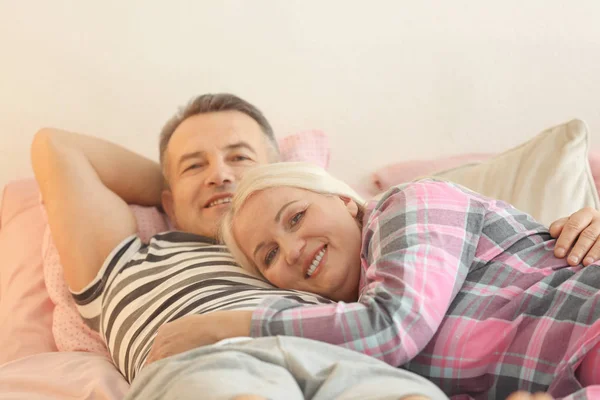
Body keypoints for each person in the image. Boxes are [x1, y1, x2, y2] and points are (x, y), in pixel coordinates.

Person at [30, 92, 599, 397]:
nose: (221, 176)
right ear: (168, 200)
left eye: (240, 158)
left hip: (357, 363)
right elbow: (57, 148)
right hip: (218, 365)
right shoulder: (138, 258)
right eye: (194, 167)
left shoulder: (371, 255)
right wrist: (188, 190)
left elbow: (399, 323)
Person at [208, 161, 600, 399]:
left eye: (296, 217)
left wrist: (233, 327)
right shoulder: (337, 332)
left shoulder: (411, 202)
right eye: (270, 254)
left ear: (343, 201)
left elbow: (396, 323)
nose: (292, 249)